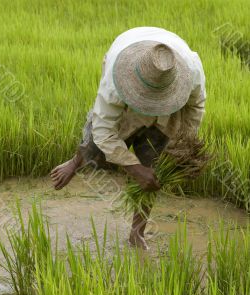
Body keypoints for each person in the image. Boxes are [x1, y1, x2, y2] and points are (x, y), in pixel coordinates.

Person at [51, 27, 209, 250]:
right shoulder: (116, 81)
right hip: (127, 91)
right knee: (98, 148)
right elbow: (103, 131)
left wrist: (184, 143)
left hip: (168, 111)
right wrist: (134, 169)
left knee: (153, 172)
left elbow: (195, 107)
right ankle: (76, 160)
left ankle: (137, 233)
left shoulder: (190, 73)